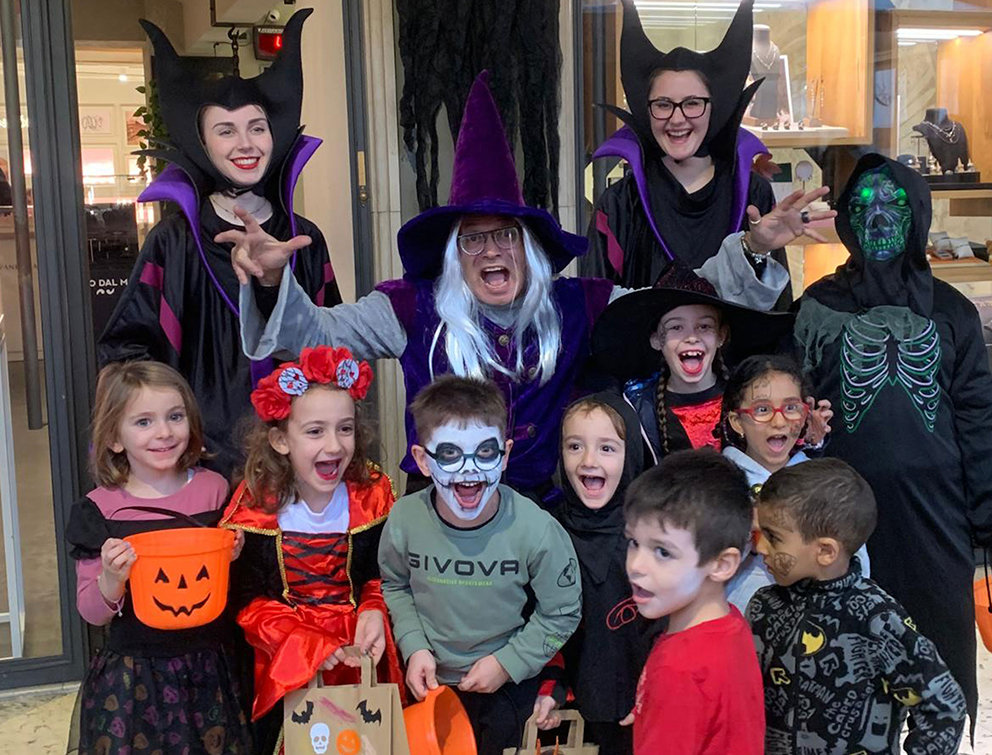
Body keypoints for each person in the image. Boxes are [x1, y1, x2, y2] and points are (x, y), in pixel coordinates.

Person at [794, 153, 992, 727]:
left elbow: (978, 418)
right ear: (847, 221)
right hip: (841, 519)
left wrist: (986, 530)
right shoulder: (818, 307)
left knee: (938, 669)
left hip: (937, 519)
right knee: (848, 665)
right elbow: (792, 402)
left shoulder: (952, 311)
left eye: (895, 203)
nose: (878, 217)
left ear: (919, 215)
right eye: (862, 206)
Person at [98, 10, 341, 478]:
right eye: (225, 131)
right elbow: (127, 349)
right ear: (203, 145)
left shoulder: (304, 240)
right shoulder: (173, 242)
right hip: (200, 460)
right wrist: (166, 430)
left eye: (257, 127)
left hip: (298, 458)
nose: (245, 144)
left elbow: (334, 346)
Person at [377, 376, 582, 755]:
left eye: (485, 453)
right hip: (428, 687)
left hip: (508, 688)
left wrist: (507, 663)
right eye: (449, 454)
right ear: (422, 460)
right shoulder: (404, 519)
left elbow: (563, 612)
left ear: (504, 455)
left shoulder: (536, 529)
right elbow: (395, 585)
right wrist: (414, 646)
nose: (468, 470)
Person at [587, 0, 835, 307]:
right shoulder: (620, 203)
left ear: (713, 108)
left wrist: (757, 251)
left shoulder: (752, 194)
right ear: (646, 111)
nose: (677, 119)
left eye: (692, 103)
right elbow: (595, 305)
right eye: (663, 105)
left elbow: (772, 313)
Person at [221, 345, 402, 755]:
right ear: (280, 440)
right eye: (315, 431)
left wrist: (374, 607)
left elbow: (384, 573)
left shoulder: (372, 495)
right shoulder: (255, 506)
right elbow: (245, 599)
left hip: (362, 653)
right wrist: (302, 641)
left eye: (345, 428)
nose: (334, 446)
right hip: (288, 659)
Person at [65, 361, 251, 755]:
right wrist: (111, 578)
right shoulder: (99, 510)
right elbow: (91, 613)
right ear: (114, 439)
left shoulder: (215, 490)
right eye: (144, 422)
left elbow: (225, 585)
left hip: (210, 669)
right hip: (135, 677)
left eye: (175, 417)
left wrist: (232, 556)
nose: (164, 432)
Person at [748, 459, 966, 754]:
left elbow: (945, 705)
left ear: (826, 551)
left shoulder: (878, 619)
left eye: (773, 537)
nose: (760, 547)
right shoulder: (763, 607)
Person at [532, 394, 652, 755]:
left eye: (607, 448)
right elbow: (540, 621)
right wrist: (550, 685)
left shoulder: (652, 535)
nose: (588, 461)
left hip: (644, 708)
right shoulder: (548, 532)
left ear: (631, 455)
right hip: (569, 714)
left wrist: (655, 687)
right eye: (574, 446)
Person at [624, 450, 764, 754]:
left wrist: (667, 704)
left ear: (722, 564)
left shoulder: (678, 670)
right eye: (634, 542)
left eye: (663, 552)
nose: (635, 565)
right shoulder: (731, 622)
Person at [591, 272, 795, 465]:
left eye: (704, 326)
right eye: (676, 327)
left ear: (721, 336)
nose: (691, 337)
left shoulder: (748, 398)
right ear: (657, 340)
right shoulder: (637, 407)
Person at [719, 354, 871, 611]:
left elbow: (856, 559)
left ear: (804, 415)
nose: (779, 421)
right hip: (742, 620)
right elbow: (699, 567)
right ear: (737, 422)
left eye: (791, 408)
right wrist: (746, 527)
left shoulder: (824, 482)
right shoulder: (717, 484)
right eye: (762, 410)